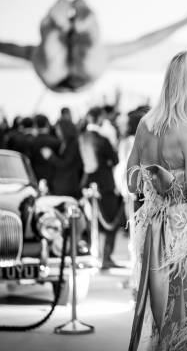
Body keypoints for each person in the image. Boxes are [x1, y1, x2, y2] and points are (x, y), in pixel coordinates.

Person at [127, 50, 187, 351]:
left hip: (154, 232)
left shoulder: (146, 124)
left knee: (162, 317)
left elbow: (132, 182)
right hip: (186, 237)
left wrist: (159, 185)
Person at [0, 0, 187, 92]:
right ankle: (81, 16)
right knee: (92, 40)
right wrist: (183, 21)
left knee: (49, 44)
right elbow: (145, 41)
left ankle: (57, 20)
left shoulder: (48, 52)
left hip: (54, 77)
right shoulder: (92, 52)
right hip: (82, 75)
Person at [80, 106, 122, 270]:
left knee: (94, 222)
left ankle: (95, 255)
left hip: (89, 184)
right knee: (112, 221)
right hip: (105, 184)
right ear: (98, 119)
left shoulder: (81, 137)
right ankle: (106, 257)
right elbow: (115, 159)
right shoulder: (102, 139)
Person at [41, 120, 84, 198]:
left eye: (58, 129)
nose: (57, 132)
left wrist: (50, 156)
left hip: (69, 184)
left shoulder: (73, 144)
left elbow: (65, 163)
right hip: (62, 183)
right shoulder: (65, 142)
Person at [30, 114, 60, 191]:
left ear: (35, 125)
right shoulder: (56, 141)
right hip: (53, 177)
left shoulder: (32, 141)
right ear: (47, 124)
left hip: (36, 177)